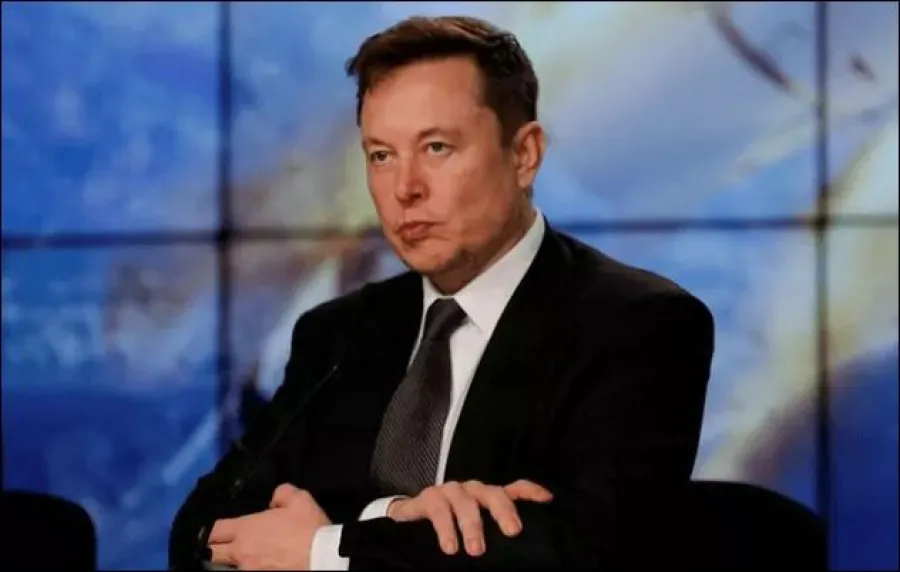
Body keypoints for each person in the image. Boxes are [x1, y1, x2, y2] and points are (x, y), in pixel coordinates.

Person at [169, 14, 715, 570]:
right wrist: (390, 514)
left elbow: (587, 552)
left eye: (436, 148)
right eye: (381, 156)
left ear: (524, 155)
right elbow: (198, 531)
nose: (405, 188)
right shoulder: (338, 333)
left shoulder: (640, 325)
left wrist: (327, 549)